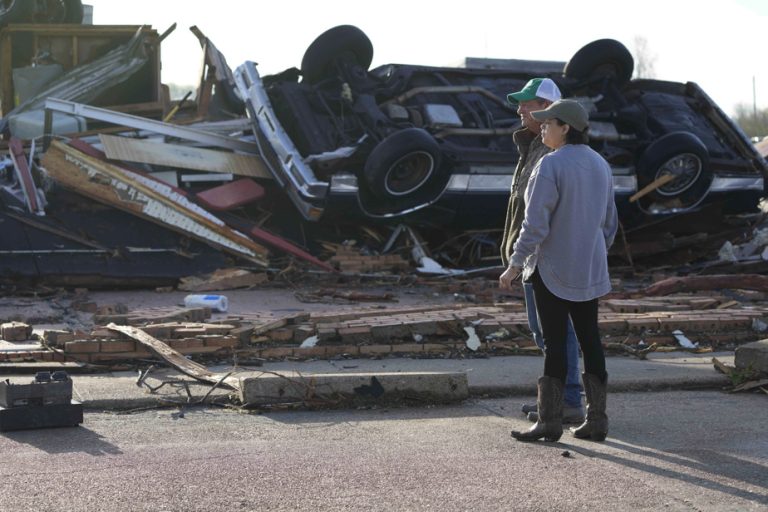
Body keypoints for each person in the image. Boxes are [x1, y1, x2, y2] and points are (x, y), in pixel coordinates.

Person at [500, 99, 618, 442]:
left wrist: (515, 263)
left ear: (566, 127)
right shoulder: (601, 165)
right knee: (590, 340)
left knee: (554, 344)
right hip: (590, 268)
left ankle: (549, 422)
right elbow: (609, 223)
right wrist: (593, 252)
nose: (543, 130)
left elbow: (534, 224)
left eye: (548, 124)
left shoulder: (550, 165)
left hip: (550, 268)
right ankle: (597, 421)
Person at [501, 78, 585, 425]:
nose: (520, 109)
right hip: (532, 257)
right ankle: (555, 396)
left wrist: (522, 258)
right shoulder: (532, 146)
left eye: (528, 103)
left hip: (545, 258)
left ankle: (567, 400)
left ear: (548, 109)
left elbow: (544, 214)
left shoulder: (553, 152)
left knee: (557, 333)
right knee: (545, 334)